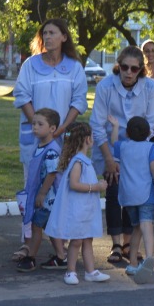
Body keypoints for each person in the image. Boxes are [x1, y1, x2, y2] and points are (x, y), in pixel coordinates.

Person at [93, 46, 154, 264]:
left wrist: (135, 152)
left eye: (134, 68)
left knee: (133, 195)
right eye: (124, 67)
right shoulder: (105, 86)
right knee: (114, 192)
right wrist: (109, 159)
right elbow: (97, 125)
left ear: (141, 69)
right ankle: (115, 244)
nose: (129, 72)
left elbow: (151, 124)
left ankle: (128, 243)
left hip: (137, 148)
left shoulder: (149, 87)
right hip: (109, 146)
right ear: (118, 66)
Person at [12, 19, 88, 178]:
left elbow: (79, 101)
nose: (47, 37)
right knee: (34, 183)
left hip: (63, 135)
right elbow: (22, 96)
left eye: (52, 33)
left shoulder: (74, 67)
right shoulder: (30, 65)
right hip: (35, 135)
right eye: (44, 33)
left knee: (62, 183)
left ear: (64, 37)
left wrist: (62, 127)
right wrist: (39, 126)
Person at [46, 122, 112, 286]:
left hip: (86, 209)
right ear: (86, 139)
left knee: (88, 239)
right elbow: (74, 184)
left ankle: (90, 271)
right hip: (78, 209)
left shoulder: (84, 161)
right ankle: (71, 271)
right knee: (76, 241)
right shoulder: (78, 162)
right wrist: (95, 187)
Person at [16, 108, 65, 272]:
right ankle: (61, 256)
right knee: (49, 227)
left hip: (47, 198)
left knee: (37, 226)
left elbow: (52, 173)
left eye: (40, 124)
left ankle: (31, 257)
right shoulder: (40, 145)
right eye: (34, 123)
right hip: (42, 196)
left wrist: (42, 193)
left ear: (52, 128)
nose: (35, 127)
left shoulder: (51, 149)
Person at [119, 115, 154, 278]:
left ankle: (132, 264)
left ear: (128, 133)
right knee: (146, 225)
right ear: (149, 133)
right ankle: (149, 257)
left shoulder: (122, 146)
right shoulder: (150, 147)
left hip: (128, 195)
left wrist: (116, 127)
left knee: (136, 227)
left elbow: (113, 142)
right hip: (145, 194)